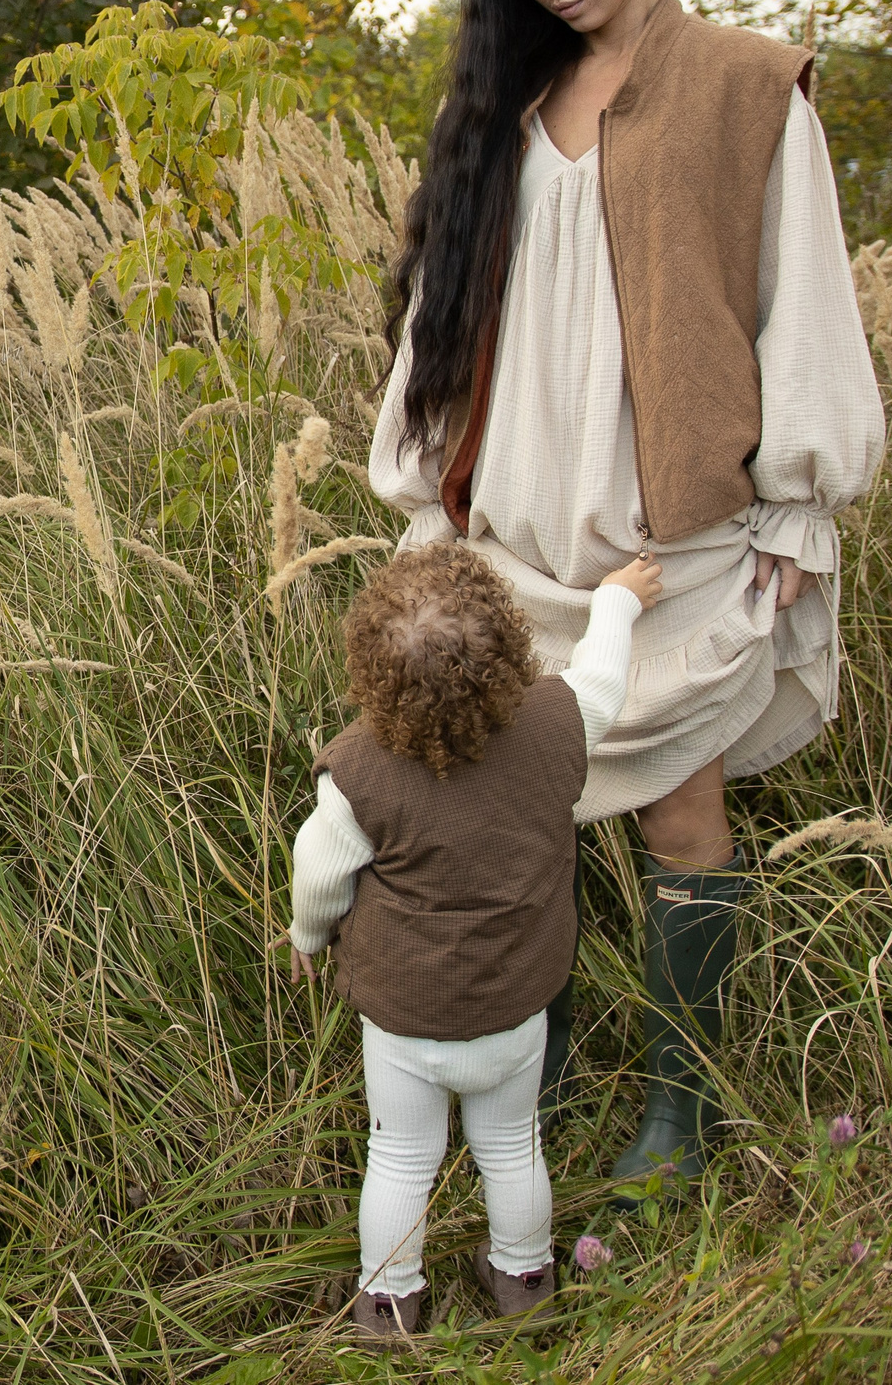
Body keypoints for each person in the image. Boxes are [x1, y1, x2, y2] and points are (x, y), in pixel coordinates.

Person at [366, 0, 885, 1199]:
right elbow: (442, 311)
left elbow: (802, 297)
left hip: (671, 530)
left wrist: (795, 500)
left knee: (677, 812)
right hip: (510, 525)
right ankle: (526, 1082)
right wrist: (428, 495)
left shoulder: (748, 86)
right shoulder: (499, 102)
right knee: (504, 817)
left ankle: (681, 1108)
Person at [290, 540, 660, 1344]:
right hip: (514, 1008)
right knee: (512, 1145)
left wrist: (307, 934)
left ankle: (389, 1302)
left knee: (398, 1158)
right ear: (511, 653)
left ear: (370, 675)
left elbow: (317, 869)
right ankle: (525, 1276)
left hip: (404, 1022)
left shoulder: (357, 773)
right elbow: (601, 674)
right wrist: (620, 601)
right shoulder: (560, 724)